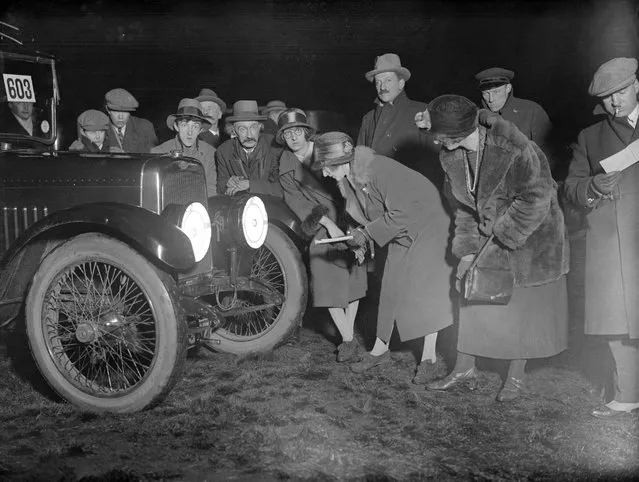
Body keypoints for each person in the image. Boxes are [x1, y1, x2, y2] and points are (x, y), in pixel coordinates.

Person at [417, 95, 569, 402]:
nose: (436, 142)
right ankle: (464, 368)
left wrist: (503, 232)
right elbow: (461, 207)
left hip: (532, 235)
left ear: (456, 134)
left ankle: (515, 377)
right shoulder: (451, 155)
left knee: (521, 307)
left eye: (440, 136)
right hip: (488, 234)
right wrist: (468, 251)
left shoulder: (514, 147)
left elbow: (536, 198)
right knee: (473, 297)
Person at [313, 132, 453, 381]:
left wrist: (367, 234)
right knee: (390, 287)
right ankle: (380, 350)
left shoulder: (380, 169)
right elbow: (372, 215)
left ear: (343, 161)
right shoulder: (350, 179)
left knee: (422, 291)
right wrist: (359, 234)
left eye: (325, 166)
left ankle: (429, 359)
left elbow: (404, 211)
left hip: (430, 227)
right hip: (402, 229)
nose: (324, 173)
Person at [563, 57, 639, 419]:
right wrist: (591, 186)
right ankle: (627, 394)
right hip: (613, 241)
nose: (615, 102)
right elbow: (571, 187)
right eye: (608, 96)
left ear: (637, 85)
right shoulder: (590, 137)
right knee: (618, 319)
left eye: (621, 91)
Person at [277, 110, 367, 358]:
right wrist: (327, 223)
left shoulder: (327, 149)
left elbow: (351, 181)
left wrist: (351, 221)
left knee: (354, 278)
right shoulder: (286, 167)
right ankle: (349, 338)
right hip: (320, 223)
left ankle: (348, 338)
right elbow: (297, 202)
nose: (293, 137)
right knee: (326, 277)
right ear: (282, 138)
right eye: (287, 133)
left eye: (297, 131)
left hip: (350, 214)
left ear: (306, 132)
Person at [357, 53, 441, 185]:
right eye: (378, 82)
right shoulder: (368, 119)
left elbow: (435, 163)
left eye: (388, 80)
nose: (382, 87)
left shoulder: (422, 112)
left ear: (401, 83)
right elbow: (360, 164)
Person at [475, 67, 553, 166]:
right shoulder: (475, 116)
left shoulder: (531, 110)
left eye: (496, 92)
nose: (491, 99)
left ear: (508, 88)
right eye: (486, 93)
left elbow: (547, 154)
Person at [216, 100, 283, 197]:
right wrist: (228, 184)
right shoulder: (224, 151)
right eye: (242, 129)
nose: (249, 135)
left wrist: (250, 184)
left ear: (260, 127)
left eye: (253, 127)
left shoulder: (275, 147)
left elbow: (282, 188)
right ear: (233, 131)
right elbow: (220, 187)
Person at [151, 98, 216, 196]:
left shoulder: (210, 153)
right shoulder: (159, 153)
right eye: (185, 125)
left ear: (200, 130)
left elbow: (211, 190)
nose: (190, 132)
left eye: (195, 126)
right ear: (176, 126)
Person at [103, 88, 158, 153]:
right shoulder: (98, 128)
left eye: (125, 111)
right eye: (116, 111)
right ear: (108, 109)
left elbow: (153, 159)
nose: (120, 117)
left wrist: (125, 156)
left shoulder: (145, 127)